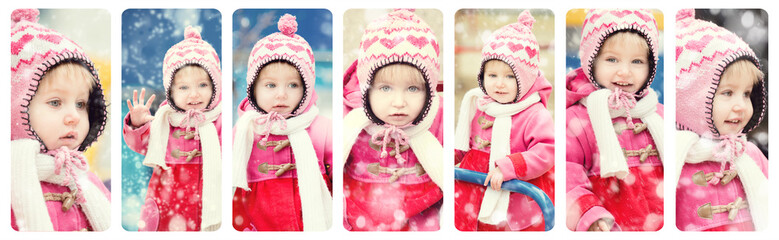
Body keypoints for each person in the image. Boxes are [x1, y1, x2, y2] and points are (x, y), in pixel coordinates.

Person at [341, 9, 443, 231]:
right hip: (358, 215)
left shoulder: (437, 115)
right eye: (385, 88)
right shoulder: (350, 118)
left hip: (422, 217)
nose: (399, 102)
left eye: (413, 88)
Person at [10, 8, 111, 231]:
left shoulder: (85, 180)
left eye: (81, 104)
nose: (74, 116)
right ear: (15, 108)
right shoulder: (10, 184)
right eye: (55, 102)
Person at [453, 10, 554, 231]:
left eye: (510, 76)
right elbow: (465, 142)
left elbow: (546, 151)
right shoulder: (479, 105)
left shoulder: (533, 113)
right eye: (492, 75)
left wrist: (509, 167)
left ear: (526, 79)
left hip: (513, 193)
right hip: (472, 188)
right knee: (469, 225)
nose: (499, 84)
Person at [565, 9, 664, 231]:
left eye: (637, 61)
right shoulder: (576, 120)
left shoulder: (658, 115)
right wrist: (587, 214)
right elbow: (566, 177)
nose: (624, 71)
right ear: (592, 62)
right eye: (612, 59)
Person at [232, 14, 333, 231]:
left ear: (306, 88)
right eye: (270, 85)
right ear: (253, 89)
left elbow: (342, 183)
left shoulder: (321, 130)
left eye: (293, 85)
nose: (281, 95)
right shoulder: (245, 132)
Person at [675, 9, 768, 231]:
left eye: (746, 94)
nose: (741, 105)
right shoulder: (675, 159)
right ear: (691, 98)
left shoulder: (750, 154)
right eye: (727, 93)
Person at [123, 26, 222, 231]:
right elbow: (139, 144)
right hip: (166, 209)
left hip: (206, 210)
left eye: (202, 85)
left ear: (215, 86)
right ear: (170, 91)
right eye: (184, 87)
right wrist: (138, 124)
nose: (193, 95)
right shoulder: (163, 121)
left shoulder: (218, 122)